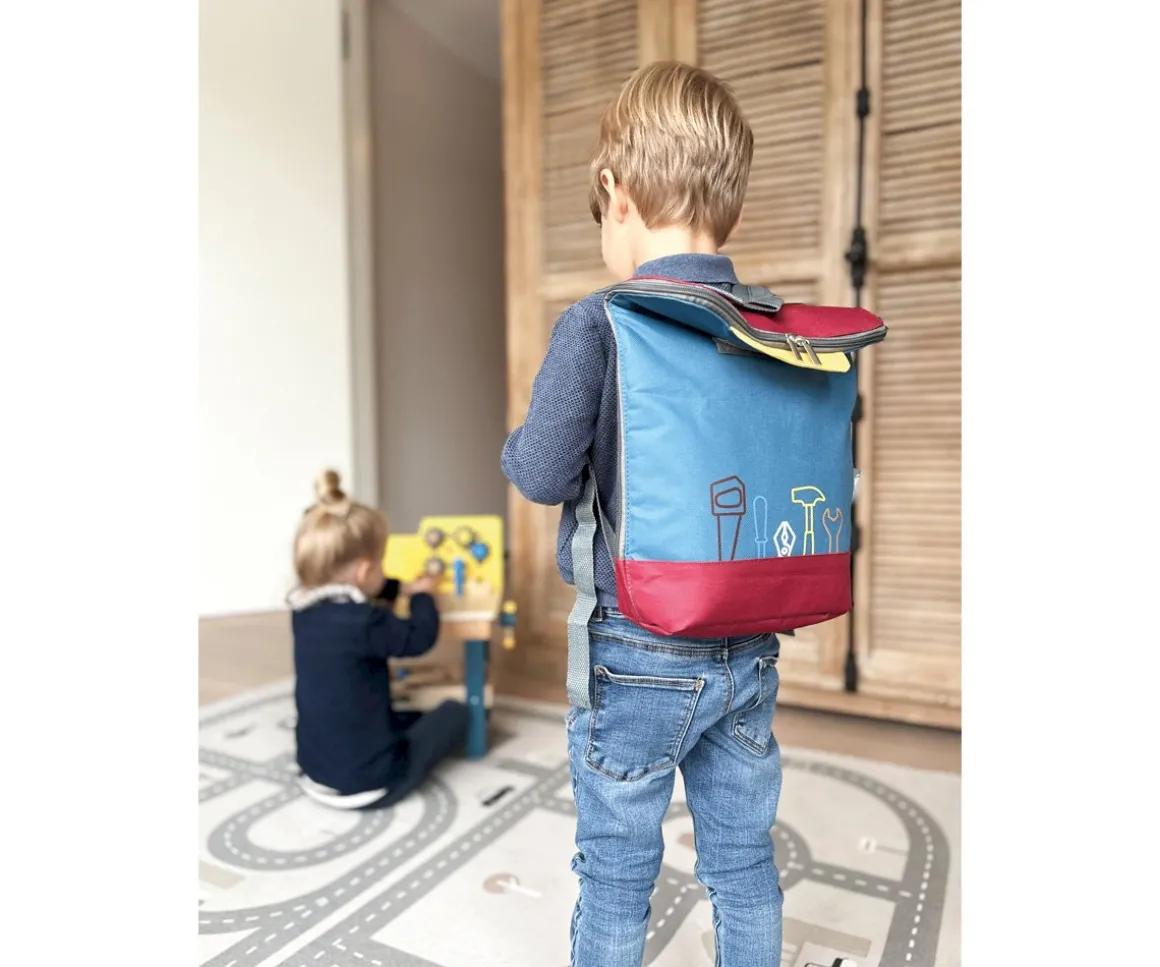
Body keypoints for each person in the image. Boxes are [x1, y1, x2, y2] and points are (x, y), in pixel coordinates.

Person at [502, 63, 784, 967]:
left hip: (636, 653)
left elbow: (541, 472)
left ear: (615, 192)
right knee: (743, 864)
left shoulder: (600, 323)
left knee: (619, 876)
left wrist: (516, 444)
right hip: (748, 644)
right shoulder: (767, 326)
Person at [288, 469, 468, 810]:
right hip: (373, 784)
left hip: (315, 774)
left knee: (402, 713)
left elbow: (366, 589)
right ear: (364, 571)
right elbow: (419, 638)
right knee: (456, 712)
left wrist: (399, 587)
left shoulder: (302, 610)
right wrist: (423, 596)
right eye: (382, 565)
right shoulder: (366, 622)